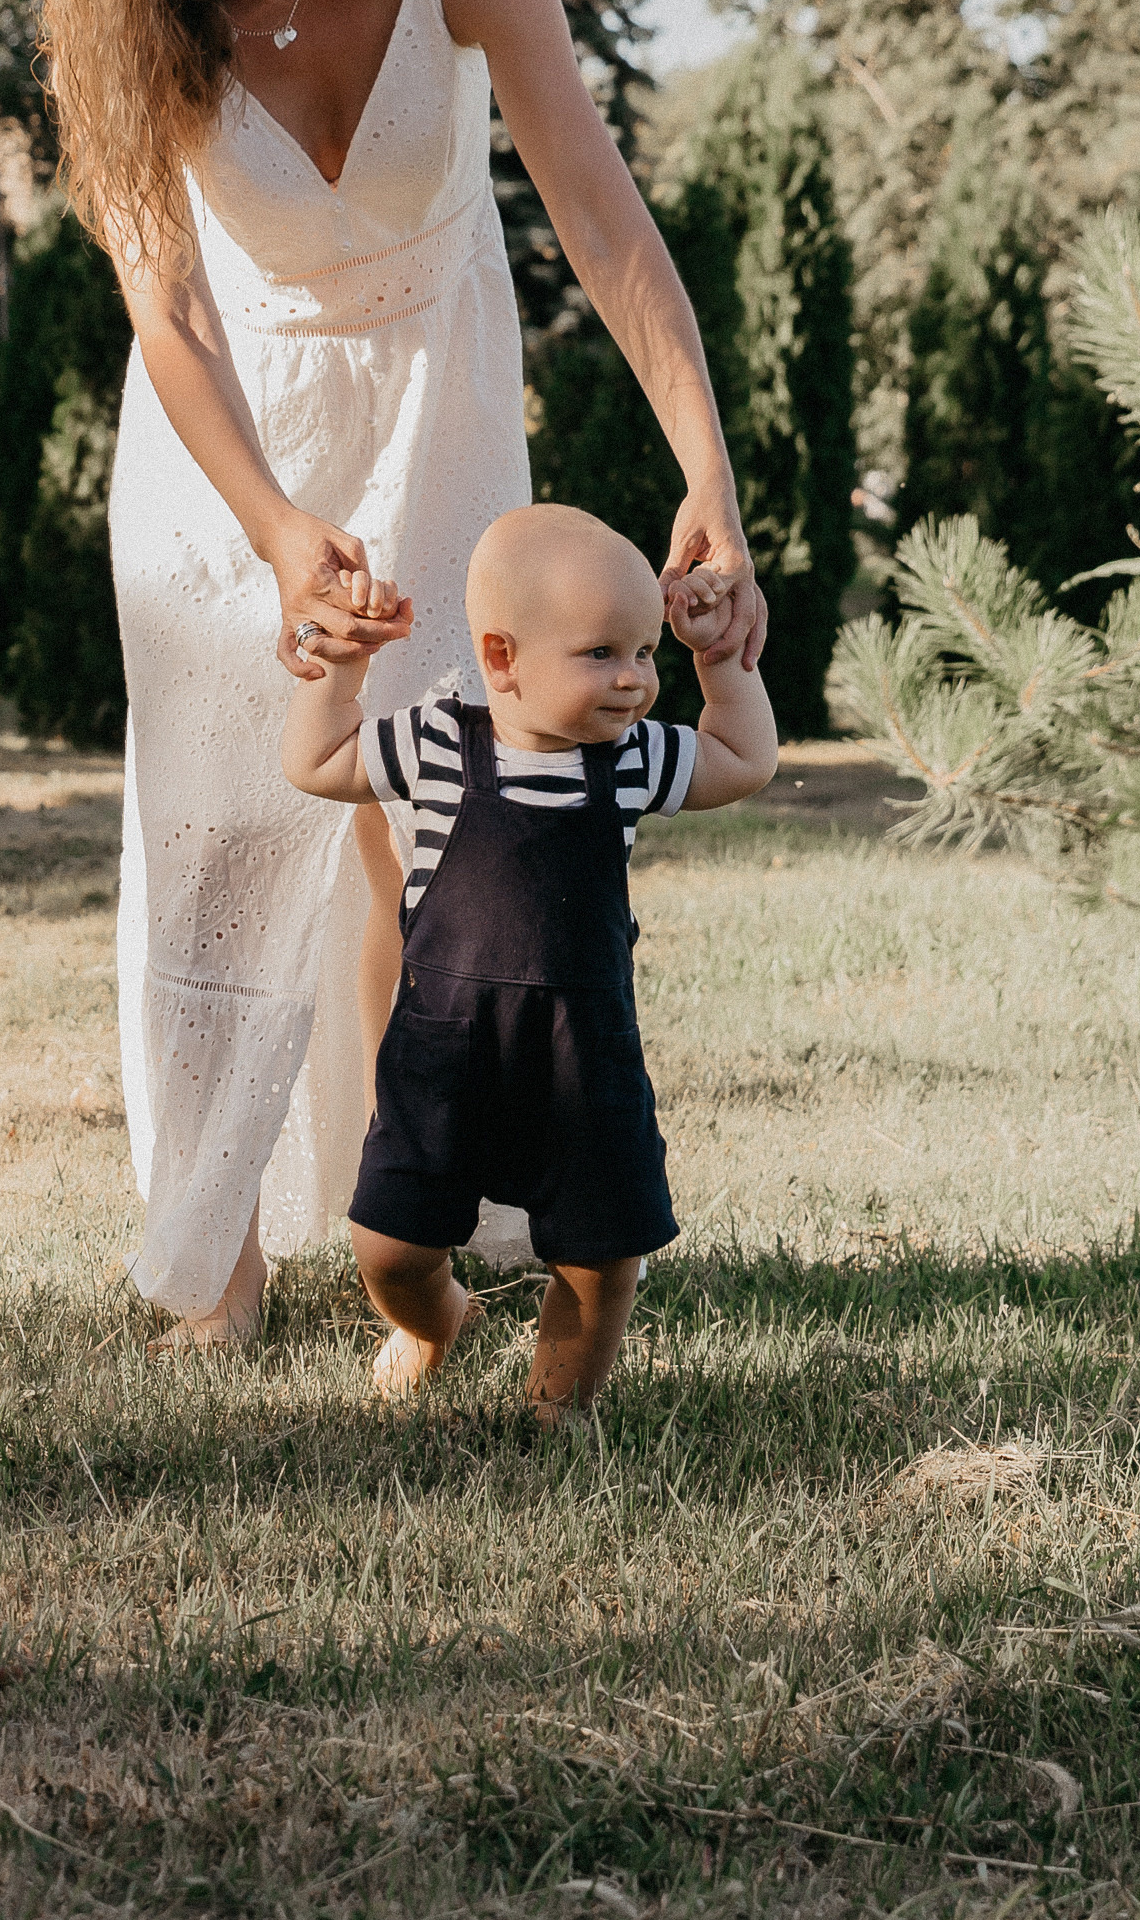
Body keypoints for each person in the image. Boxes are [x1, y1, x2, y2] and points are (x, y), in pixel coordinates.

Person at [32, 0, 765, 1346]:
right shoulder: (135, 17)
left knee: (427, 828)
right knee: (217, 827)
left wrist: (703, 472)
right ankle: (207, 1246)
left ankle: (402, 1231)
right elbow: (173, 310)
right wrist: (280, 530)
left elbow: (600, 217)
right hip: (233, 446)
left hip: (436, 407)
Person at [282, 503, 778, 1417]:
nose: (633, 680)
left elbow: (742, 760)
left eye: (644, 652)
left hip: (579, 1058)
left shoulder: (628, 760)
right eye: (602, 653)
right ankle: (435, 1321)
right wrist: (341, 671)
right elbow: (316, 761)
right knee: (388, 1245)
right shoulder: (436, 744)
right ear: (502, 657)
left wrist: (717, 663)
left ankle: (561, 1405)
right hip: (443, 1050)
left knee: (599, 1257)